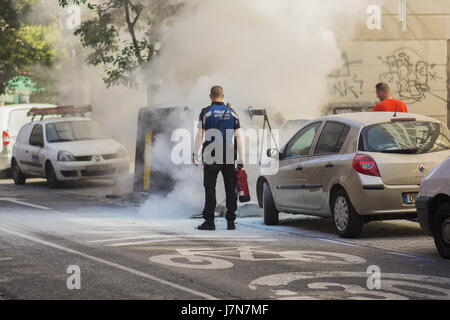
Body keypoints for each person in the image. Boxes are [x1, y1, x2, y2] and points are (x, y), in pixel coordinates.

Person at [192, 86, 245, 231]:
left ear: (210, 96)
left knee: (210, 189)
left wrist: (194, 153)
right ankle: (231, 222)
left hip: (211, 154)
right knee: (230, 188)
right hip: (228, 154)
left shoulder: (205, 112)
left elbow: (200, 134)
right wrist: (241, 158)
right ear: (223, 95)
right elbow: (239, 137)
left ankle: (209, 222)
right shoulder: (232, 113)